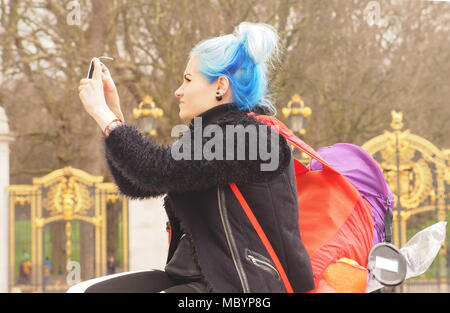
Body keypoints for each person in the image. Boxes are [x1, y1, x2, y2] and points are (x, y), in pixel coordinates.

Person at [72, 22, 314, 293]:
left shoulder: (253, 137)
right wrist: (113, 114)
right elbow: (137, 183)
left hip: (247, 286)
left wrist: (106, 119)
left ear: (220, 85)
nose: (178, 90)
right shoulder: (209, 135)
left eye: (188, 80)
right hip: (195, 278)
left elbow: (156, 170)